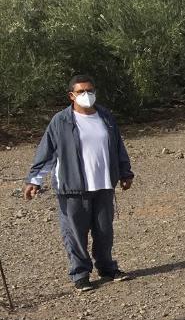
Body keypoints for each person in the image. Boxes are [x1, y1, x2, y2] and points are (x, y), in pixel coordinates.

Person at [23, 75, 135, 292]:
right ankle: (80, 273)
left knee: (104, 231)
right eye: (82, 91)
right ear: (71, 95)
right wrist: (34, 180)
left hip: (103, 185)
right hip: (72, 187)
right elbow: (46, 152)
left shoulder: (105, 116)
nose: (87, 95)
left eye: (90, 90)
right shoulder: (61, 121)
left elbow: (118, 146)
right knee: (75, 233)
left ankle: (107, 268)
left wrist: (125, 172)